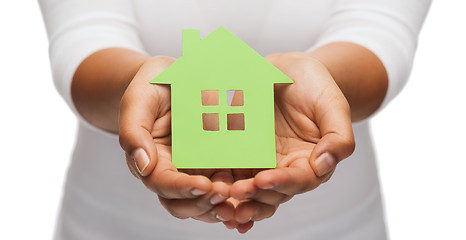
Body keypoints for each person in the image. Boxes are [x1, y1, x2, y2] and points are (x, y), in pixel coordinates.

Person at [39, 0, 431, 239]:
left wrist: (321, 82)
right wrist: (140, 88)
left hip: (334, 226)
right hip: (111, 227)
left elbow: (381, 30)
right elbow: (83, 36)